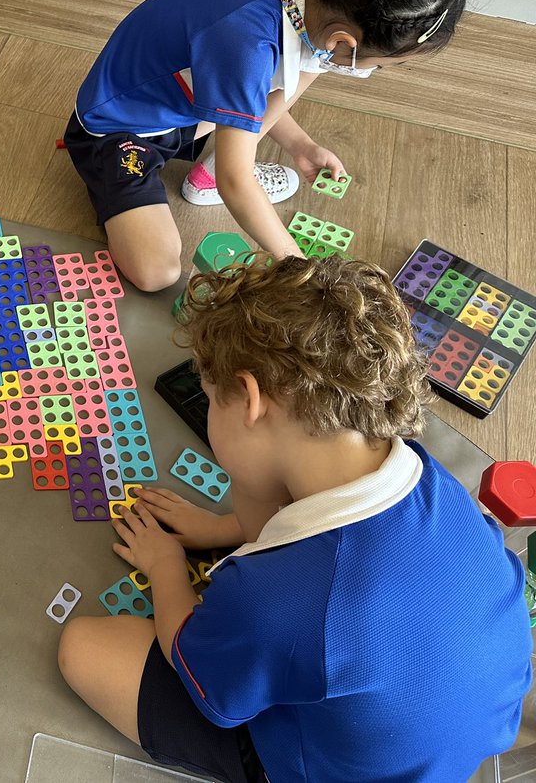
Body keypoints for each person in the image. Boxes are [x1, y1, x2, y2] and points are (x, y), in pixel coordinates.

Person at [58, 255, 532, 782]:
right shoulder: (423, 472)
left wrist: (167, 565)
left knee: (85, 649)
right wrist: (224, 528)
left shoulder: (272, 600)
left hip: (348, 770)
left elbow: (210, 685)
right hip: (462, 731)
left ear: (251, 401)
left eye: (211, 399)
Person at [64, 0, 467, 291]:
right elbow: (236, 181)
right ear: (343, 42)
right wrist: (296, 263)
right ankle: (197, 162)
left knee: (308, 67)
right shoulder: (243, 42)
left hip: (185, 104)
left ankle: (216, 161)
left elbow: (269, 84)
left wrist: (301, 146)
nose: (374, 70)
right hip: (121, 128)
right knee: (157, 273)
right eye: (381, 64)